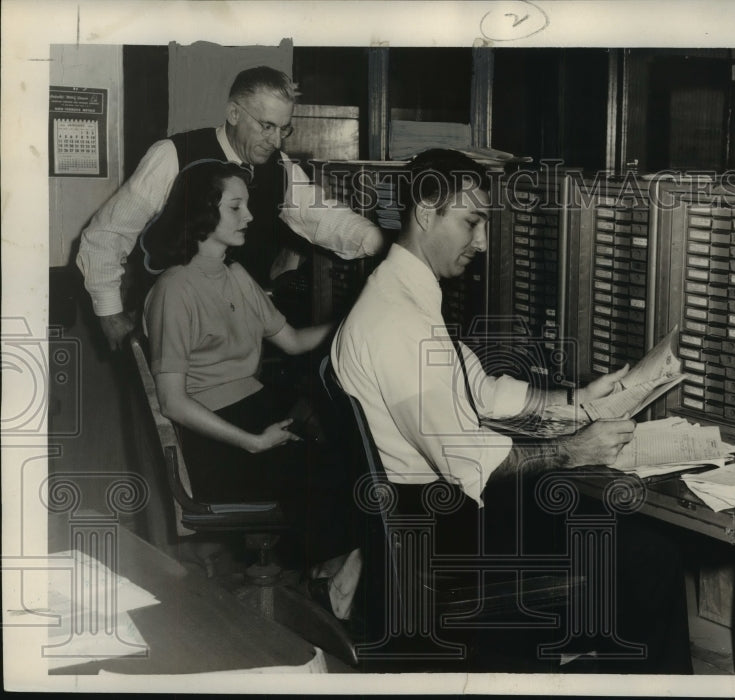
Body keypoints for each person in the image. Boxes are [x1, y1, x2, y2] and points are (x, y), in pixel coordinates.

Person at [331, 149, 692, 673]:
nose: (481, 242)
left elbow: (484, 392)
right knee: (648, 555)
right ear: (426, 213)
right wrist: (573, 451)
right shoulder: (397, 325)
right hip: (437, 537)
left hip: (425, 518)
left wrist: (583, 400)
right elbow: (476, 464)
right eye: (472, 222)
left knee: (622, 537)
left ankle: (586, 661)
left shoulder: (402, 297)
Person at [142, 159, 354, 589]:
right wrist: (254, 443)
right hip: (218, 441)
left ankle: (338, 577)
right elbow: (172, 402)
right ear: (203, 213)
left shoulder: (236, 275)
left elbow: (292, 340)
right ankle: (335, 582)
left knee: (359, 457)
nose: (250, 216)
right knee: (331, 476)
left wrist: (356, 323)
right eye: (235, 207)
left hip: (255, 412)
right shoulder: (174, 290)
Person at [79, 65, 383, 350]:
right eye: (266, 126)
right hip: (172, 327)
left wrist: (381, 243)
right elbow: (108, 234)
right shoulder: (173, 155)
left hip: (237, 329)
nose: (276, 141)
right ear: (234, 113)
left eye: (283, 129)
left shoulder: (281, 168)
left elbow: (322, 216)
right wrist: (109, 312)